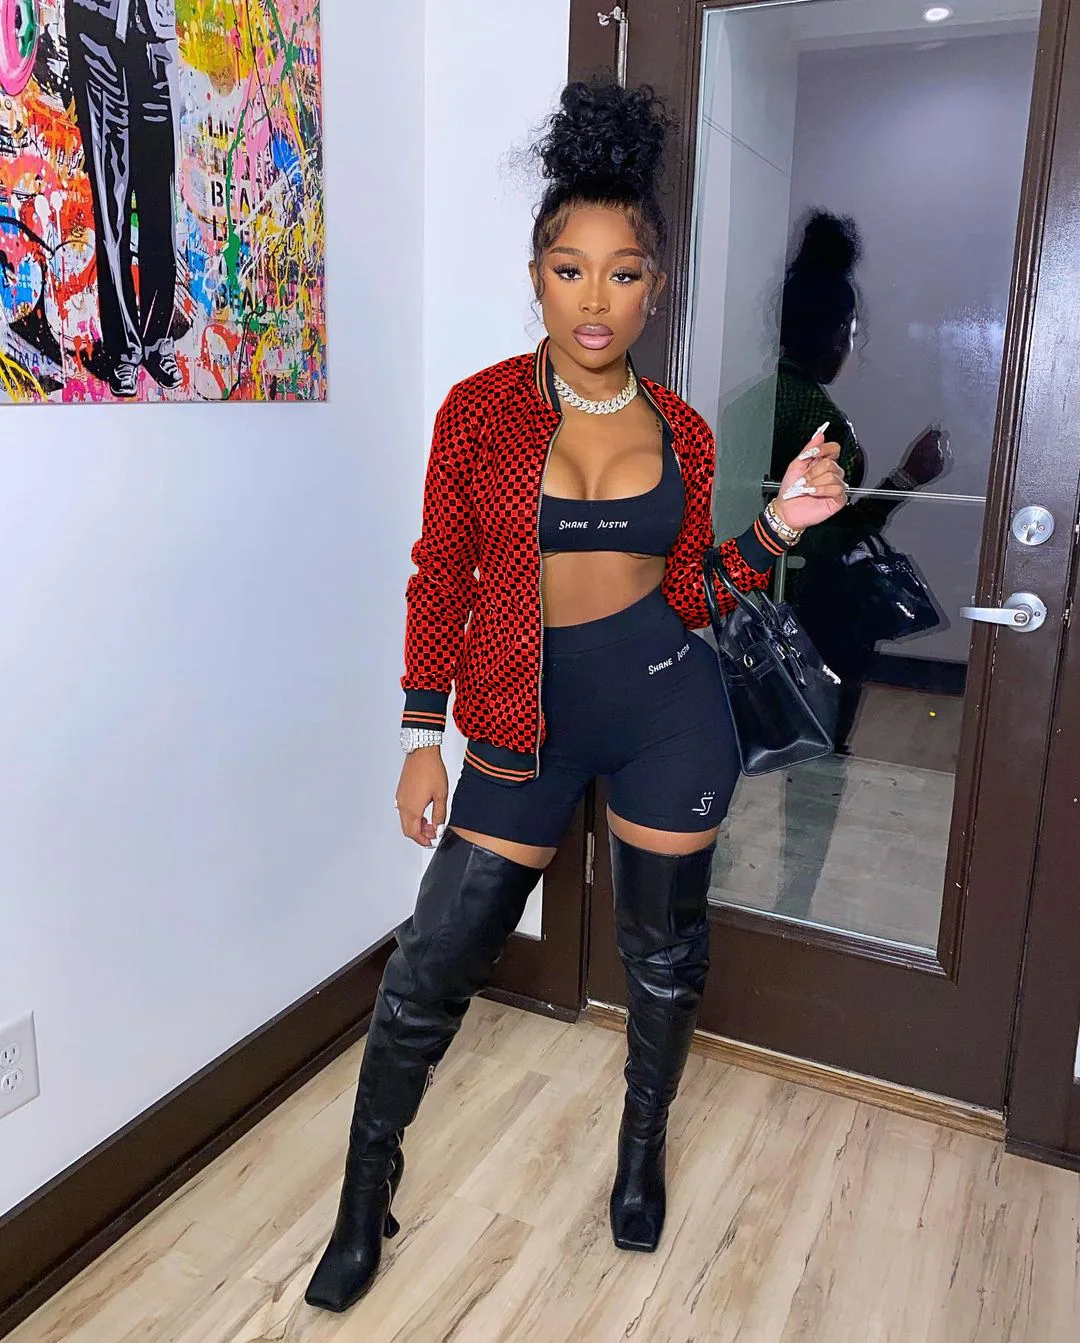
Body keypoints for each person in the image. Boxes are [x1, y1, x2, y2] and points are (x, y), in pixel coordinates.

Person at [304, 80, 847, 1316]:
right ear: (536, 279)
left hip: (667, 712)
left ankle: (639, 1152)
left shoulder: (687, 432)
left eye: (622, 273)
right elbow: (440, 575)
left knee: (664, 958)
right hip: (519, 721)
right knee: (433, 963)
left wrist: (777, 524)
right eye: (569, 270)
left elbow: (692, 590)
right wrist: (420, 733)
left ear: (655, 289)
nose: (594, 299)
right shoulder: (479, 412)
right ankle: (362, 1193)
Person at [765, 210, 951, 751]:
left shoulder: (755, 394)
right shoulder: (821, 421)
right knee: (820, 744)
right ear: (832, 334)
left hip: (759, 590)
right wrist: (907, 477)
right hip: (809, 605)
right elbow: (826, 536)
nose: (853, 346)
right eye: (851, 332)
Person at [66, 0, 182, 397]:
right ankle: (123, 350)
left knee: (160, 200)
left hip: (156, 38)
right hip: (97, 37)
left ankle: (156, 340)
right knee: (111, 201)